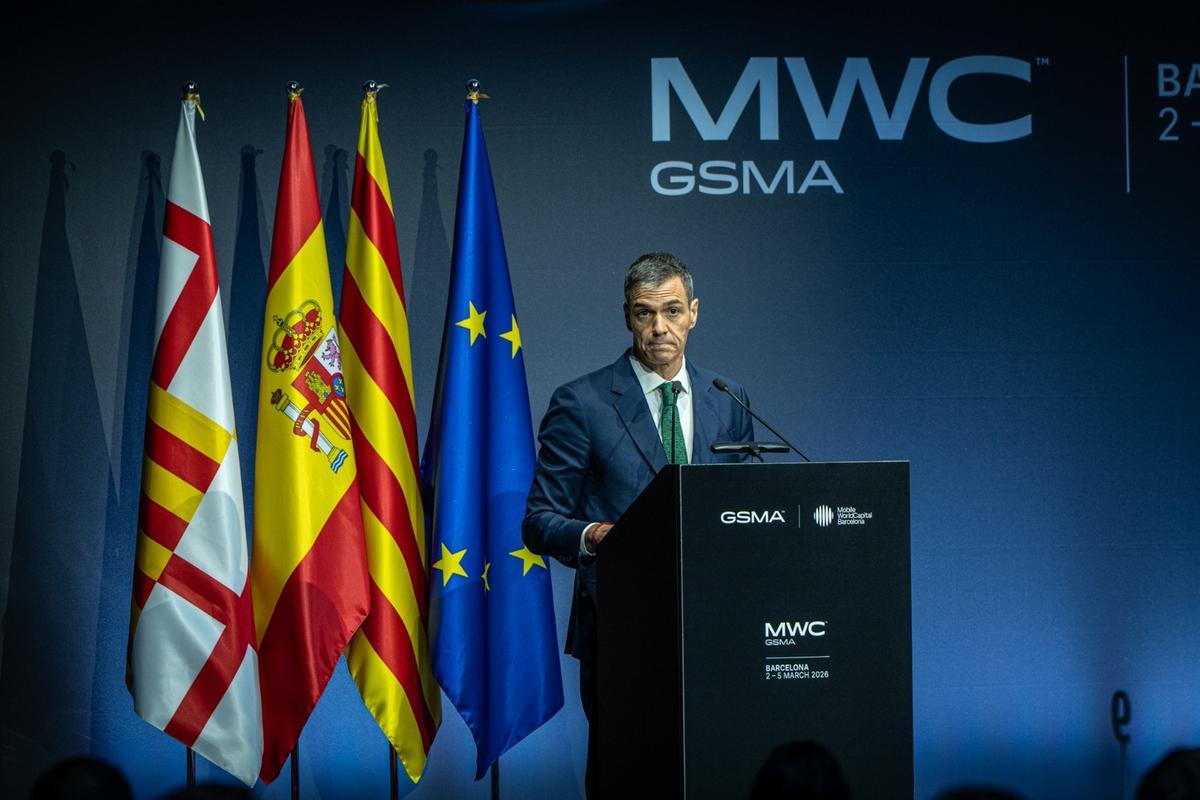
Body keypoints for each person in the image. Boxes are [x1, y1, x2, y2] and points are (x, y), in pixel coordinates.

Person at [522, 251, 755, 795]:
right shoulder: (582, 402)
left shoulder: (728, 399)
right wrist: (593, 536)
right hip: (621, 625)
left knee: (713, 772)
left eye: (672, 311)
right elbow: (538, 520)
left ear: (694, 313)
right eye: (644, 313)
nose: (659, 328)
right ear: (627, 316)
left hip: (715, 628)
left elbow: (746, 507)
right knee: (626, 777)